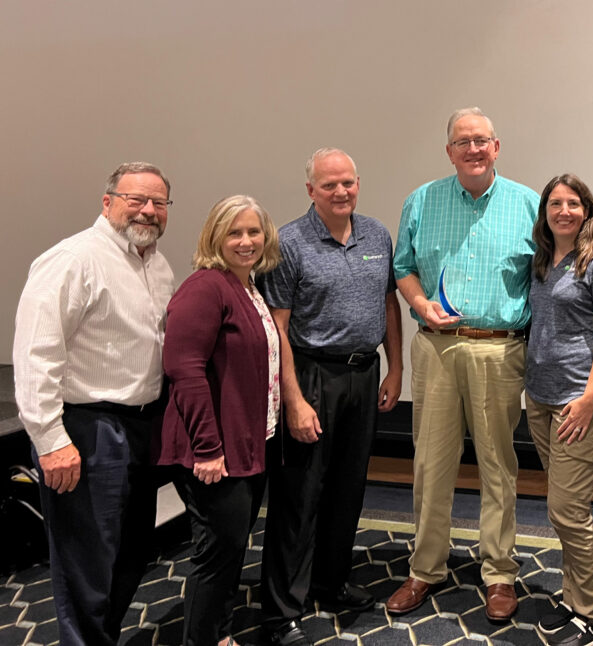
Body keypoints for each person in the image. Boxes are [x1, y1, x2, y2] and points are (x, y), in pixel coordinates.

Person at [13, 162, 175, 646]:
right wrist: (49, 440)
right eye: (136, 199)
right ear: (108, 202)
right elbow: (36, 354)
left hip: (142, 426)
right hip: (88, 429)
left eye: (159, 202)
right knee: (86, 562)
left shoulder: (157, 265)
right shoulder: (72, 259)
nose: (148, 210)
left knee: (131, 552)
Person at [387, 107, 539, 622]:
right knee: (431, 464)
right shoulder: (421, 201)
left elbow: (551, 272)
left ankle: (498, 572)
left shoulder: (528, 204)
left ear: (497, 147)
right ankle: (425, 567)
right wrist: (419, 301)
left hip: (499, 349)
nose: (473, 150)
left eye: (482, 141)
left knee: (498, 464)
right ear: (448, 151)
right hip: (435, 347)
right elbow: (403, 268)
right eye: (462, 142)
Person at [259, 148, 403, 646]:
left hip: (365, 375)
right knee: (299, 496)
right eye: (329, 185)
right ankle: (282, 610)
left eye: (348, 183)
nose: (341, 192)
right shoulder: (287, 243)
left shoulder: (377, 235)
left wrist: (396, 367)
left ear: (358, 183)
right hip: (312, 376)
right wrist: (294, 400)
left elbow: (389, 304)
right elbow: (276, 329)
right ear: (310, 191)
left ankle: (331, 581)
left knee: (348, 488)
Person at [156, 195, 282, 646]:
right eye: (234, 232)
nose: (246, 241)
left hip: (246, 443)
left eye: (254, 231)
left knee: (230, 552)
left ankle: (220, 635)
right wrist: (208, 449)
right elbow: (184, 370)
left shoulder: (247, 286)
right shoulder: (205, 287)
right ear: (214, 237)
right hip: (213, 451)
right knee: (217, 556)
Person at [525, 174, 593, 645]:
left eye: (573, 203)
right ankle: (574, 597)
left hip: (577, 403)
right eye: (555, 203)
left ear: (587, 209)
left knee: (567, 510)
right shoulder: (543, 260)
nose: (563, 210)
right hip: (540, 399)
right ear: (545, 211)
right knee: (562, 506)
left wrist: (588, 398)